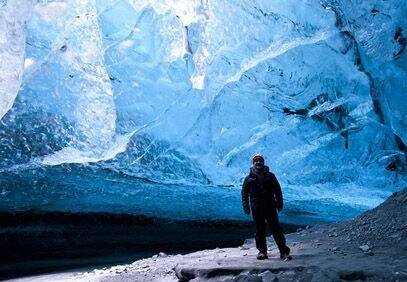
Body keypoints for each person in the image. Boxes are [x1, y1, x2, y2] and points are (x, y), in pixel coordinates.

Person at [241, 154, 291, 260]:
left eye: (260, 161)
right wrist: (246, 207)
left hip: (270, 207)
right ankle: (262, 252)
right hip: (256, 208)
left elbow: (278, 191)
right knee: (260, 230)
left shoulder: (270, 176)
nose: (258, 163)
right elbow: (244, 194)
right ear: (253, 164)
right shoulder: (248, 179)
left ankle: (284, 251)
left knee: (276, 229)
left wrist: (280, 204)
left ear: (263, 163)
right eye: (256, 161)